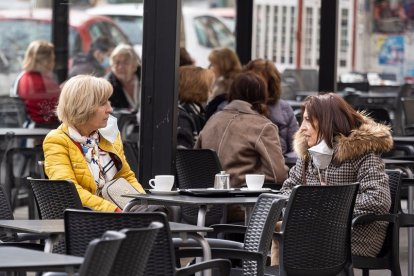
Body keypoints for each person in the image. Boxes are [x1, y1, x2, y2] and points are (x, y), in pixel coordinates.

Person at [271, 93, 393, 265]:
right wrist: (304, 207)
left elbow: (378, 199)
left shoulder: (361, 152)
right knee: (273, 228)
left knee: (285, 234)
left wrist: (329, 205)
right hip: (318, 229)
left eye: (308, 120)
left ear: (326, 121)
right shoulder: (308, 154)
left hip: (356, 236)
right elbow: (287, 190)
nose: (302, 128)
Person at [42, 75, 145, 212]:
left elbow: (125, 177)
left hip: (119, 215)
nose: (110, 109)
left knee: (161, 214)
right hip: (84, 220)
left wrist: (143, 203)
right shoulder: (57, 140)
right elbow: (69, 192)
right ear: (82, 107)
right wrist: (115, 211)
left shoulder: (110, 135)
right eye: (103, 103)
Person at [195, 71, 289, 221]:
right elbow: (278, 174)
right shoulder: (262, 126)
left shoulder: (212, 120)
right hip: (242, 207)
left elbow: (195, 163)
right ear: (261, 95)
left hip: (204, 206)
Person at [243, 59, 299, 157]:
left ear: (271, 84)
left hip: (281, 167)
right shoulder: (239, 109)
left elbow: (295, 149)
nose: (255, 85)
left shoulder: (284, 109)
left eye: (260, 81)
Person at [10, 40, 60, 128]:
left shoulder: (22, 78)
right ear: (47, 61)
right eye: (53, 59)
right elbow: (54, 110)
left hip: (29, 128)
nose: (54, 62)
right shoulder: (43, 82)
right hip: (44, 131)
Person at [177, 65, 215, 148]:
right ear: (198, 88)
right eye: (209, 88)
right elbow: (184, 156)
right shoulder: (183, 117)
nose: (212, 93)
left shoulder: (198, 113)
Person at [205, 47, 241, 121]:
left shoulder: (230, 85)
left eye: (213, 64)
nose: (209, 67)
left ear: (223, 65)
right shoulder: (219, 82)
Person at [106, 43, 141, 111]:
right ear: (112, 66)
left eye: (126, 62)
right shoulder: (107, 87)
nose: (121, 67)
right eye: (117, 62)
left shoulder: (146, 77)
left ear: (134, 65)